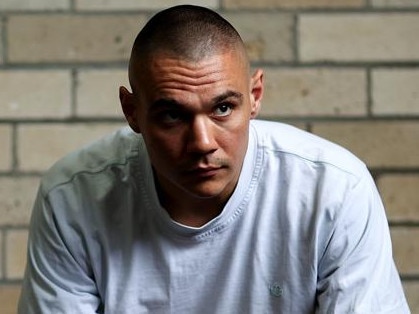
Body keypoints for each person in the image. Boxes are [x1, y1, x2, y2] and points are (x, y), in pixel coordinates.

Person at [18, 5, 410, 313]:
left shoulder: (334, 190)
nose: (202, 142)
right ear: (132, 111)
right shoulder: (72, 197)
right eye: (172, 114)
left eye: (223, 108)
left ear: (255, 96)